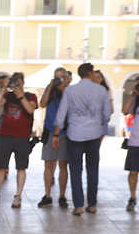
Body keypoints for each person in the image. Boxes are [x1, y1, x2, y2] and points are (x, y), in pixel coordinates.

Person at [53, 63, 112, 215]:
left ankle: (78, 205)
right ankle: (92, 204)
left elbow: (61, 114)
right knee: (93, 169)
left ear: (79, 74)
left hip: (75, 134)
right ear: (91, 73)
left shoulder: (70, 90)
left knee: (75, 170)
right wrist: (99, 122)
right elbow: (107, 113)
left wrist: (56, 132)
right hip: (94, 135)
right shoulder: (101, 90)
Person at [0, 72, 38, 209]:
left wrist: (20, 94)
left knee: (21, 167)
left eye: (18, 81)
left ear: (23, 82)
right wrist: (4, 88)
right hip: (5, 135)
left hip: (22, 137)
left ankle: (18, 196)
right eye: (14, 81)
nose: (16, 83)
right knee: (0, 166)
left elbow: (30, 109)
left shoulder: (30, 96)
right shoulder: (7, 96)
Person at [37, 76, 69, 208]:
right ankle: (47, 194)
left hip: (65, 132)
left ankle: (62, 195)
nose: (58, 81)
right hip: (49, 131)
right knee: (48, 164)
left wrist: (65, 86)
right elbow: (42, 104)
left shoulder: (69, 92)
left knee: (63, 165)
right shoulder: (50, 92)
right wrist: (50, 87)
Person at [121, 80, 139, 212]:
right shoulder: (136, 100)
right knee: (133, 172)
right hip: (135, 142)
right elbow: (125, 110)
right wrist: (133, 93)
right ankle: (132, 197)